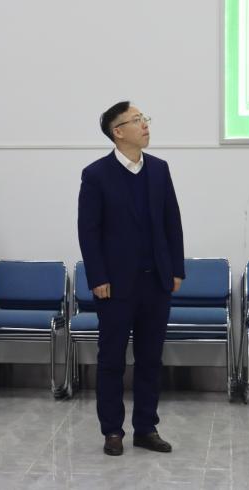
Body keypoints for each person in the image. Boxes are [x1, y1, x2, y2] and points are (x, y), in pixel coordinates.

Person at [77, 101, 184, 457]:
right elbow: (89, 231)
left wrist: (176, 268)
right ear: (118, 132)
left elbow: (172, 221)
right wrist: (97, 276)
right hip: (115, 285)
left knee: (151, 359)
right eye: (136, 120)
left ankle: (146, 428)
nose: (145, 125)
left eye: (144, 119)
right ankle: (112, 430)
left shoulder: (159, 169)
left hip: (156, 282)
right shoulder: (96, 174)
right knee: (111, 360)